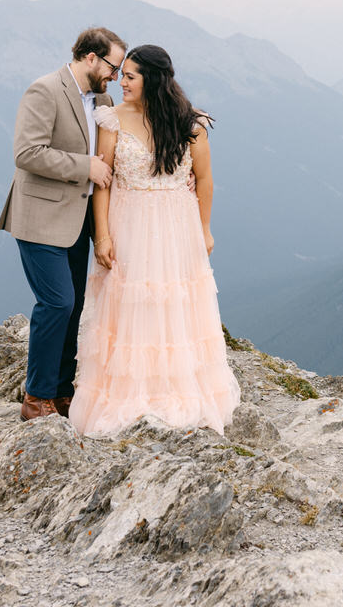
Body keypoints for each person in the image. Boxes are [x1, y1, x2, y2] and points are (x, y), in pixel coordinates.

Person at [68, 44, 240, 436]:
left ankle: (174, 388)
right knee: (131, 304)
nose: (120, 82)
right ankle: (129, 392)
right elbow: (104, 184)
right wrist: (103, 236)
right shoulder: (111, 120)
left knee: (174, 302)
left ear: (154, 80)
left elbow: (206, 180)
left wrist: (204, 229)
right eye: (122, 74)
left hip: (176, 227)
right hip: (127, 223)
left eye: (130, 76)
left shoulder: (190, 124)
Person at [0, 26, 126, 421]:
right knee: (57, 302)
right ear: (91, 57)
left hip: (78, 220)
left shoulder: (101, 98)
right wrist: (84, 167)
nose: (116, 78)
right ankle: (35, 398)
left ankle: (62, 392)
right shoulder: (45, 90)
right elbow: (27, 152)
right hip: (39, 218)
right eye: (113, 67)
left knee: (75, 307)